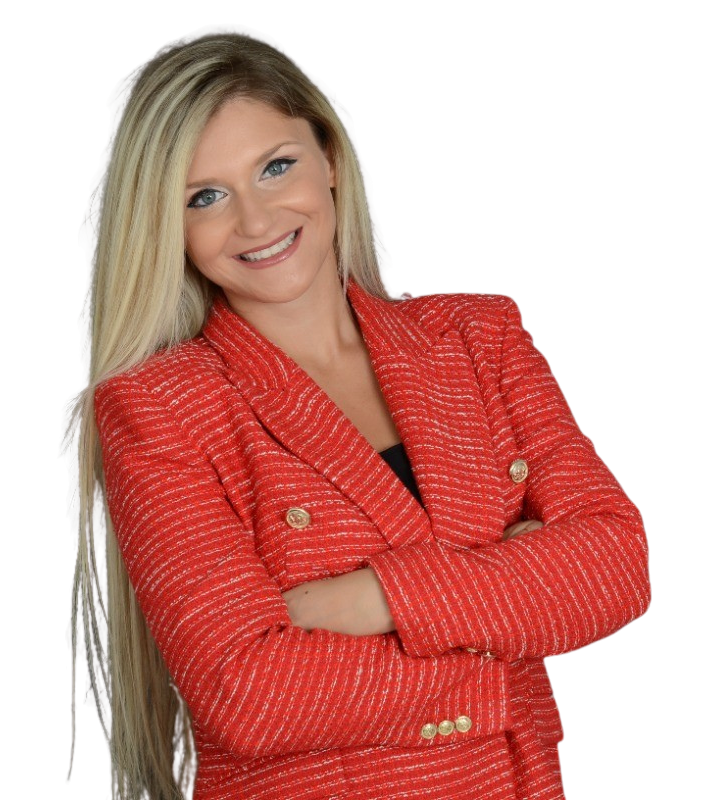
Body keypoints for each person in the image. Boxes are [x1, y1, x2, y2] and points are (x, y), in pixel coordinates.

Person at [63, 25, 652, 800]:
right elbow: (247, 693)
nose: (255, 220)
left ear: (331, 158)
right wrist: (509, 621)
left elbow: (617, 566)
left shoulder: (480, 336)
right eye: (205, 196)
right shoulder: (157, 409)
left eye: (276, 166)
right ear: (169, 226)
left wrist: (371, 599)